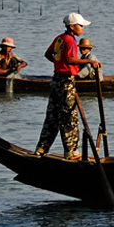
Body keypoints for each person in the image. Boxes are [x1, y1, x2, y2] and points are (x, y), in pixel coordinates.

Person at [35, 13, 101, 160]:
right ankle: (71, 152)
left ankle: (41, 149)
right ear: (72, 26)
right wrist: (89, 62)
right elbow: (70, 59)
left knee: (52, 116)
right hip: (66, 82)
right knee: (69, 116)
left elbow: (48, 54)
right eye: (80, 25)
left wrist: (58, 64)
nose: (82, 28)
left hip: (56, 80)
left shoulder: (60, 38)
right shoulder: (70, 40)